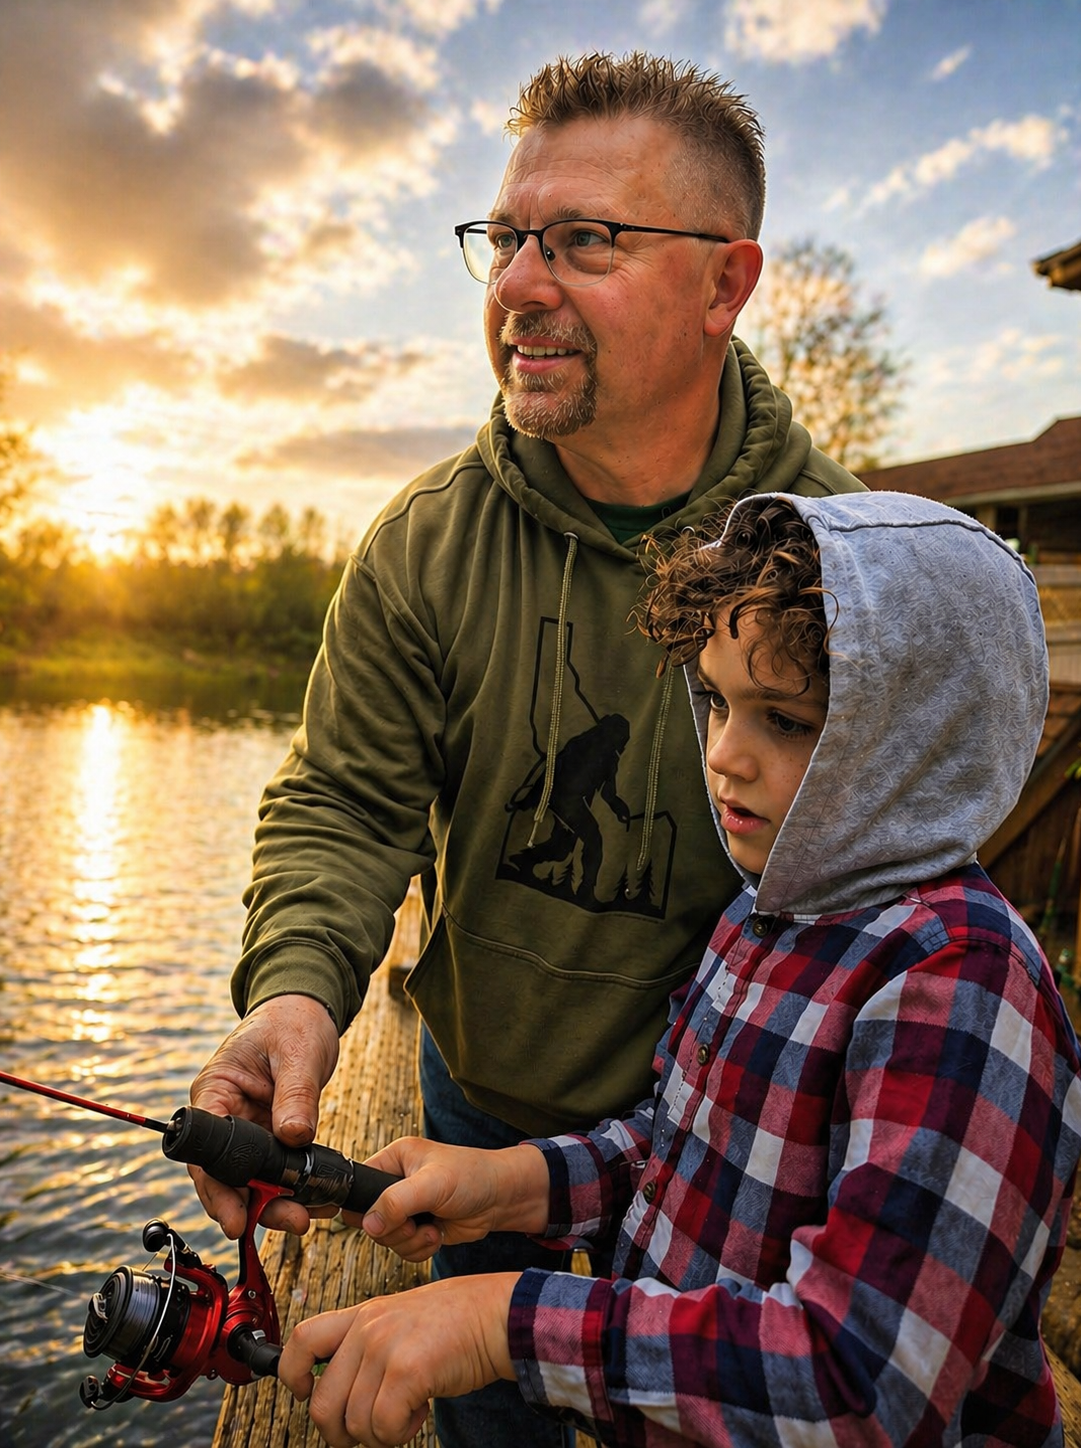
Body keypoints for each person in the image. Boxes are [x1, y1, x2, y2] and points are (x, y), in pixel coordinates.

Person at [189, 51, 865, 1448]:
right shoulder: (422, 543)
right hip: (474, 1114)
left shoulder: (852, 566)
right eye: (505, 240)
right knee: (490, 1425)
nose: (517, 285)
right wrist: (299, 992)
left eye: (586, 241)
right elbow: (344, 799)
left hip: (732, 1147)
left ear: (725, 285)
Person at [277, 491, 1081, 1448]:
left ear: (921, 740)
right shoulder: (761, 911)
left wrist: (502, 1322)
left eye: (785, 720)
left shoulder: (963, 986)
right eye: (715, 700)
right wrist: (508, 1184)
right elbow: (678, 1149)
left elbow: (860, 1383)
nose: (724, 755)